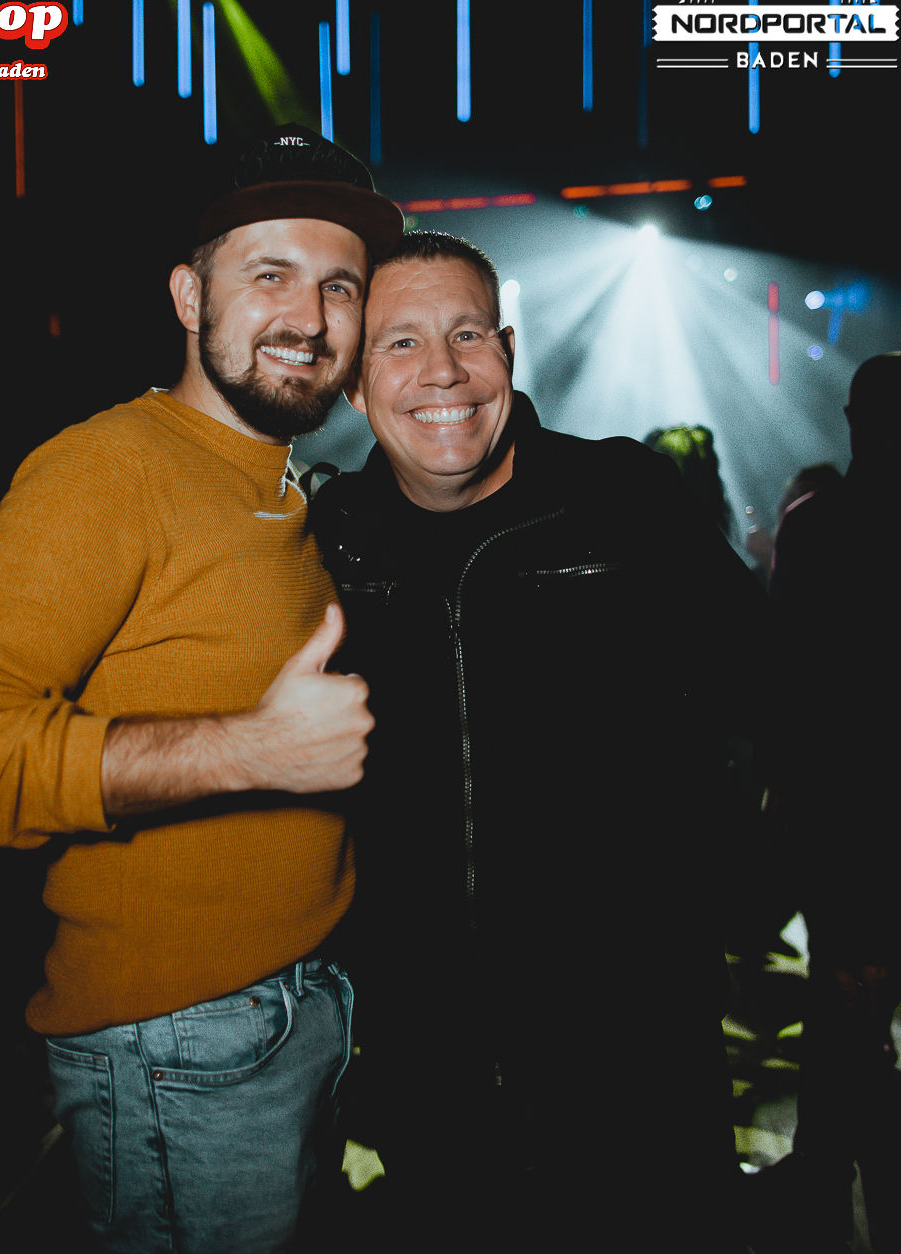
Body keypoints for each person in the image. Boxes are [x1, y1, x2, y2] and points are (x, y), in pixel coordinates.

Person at [0, 123, 403, 1254]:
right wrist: (248, 749)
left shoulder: (290, 487)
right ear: (188, 295)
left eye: (340, 287)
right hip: (179, 1042)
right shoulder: (106, 469)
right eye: (269, 275)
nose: (310, 318)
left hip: (304, 1005)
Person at [307, 230, 770, 1252]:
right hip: (429, 1059)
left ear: (507, 351)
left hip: (636, 1050)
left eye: (467, 334)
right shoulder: (334, 538)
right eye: (399, 343)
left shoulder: (623, 498)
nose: (442, 372)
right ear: (351, 382)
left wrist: (744, 889)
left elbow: (770, 692)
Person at [744, 352, 900, 1254]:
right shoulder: (829, 522)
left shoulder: (822, 523)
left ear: (852, 419)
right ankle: (832, 1174)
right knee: (854, 1015)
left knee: (848, 1009)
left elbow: (788, 684)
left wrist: (783, 801)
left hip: (848, 809)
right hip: (861, 805)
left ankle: (828, 1176)